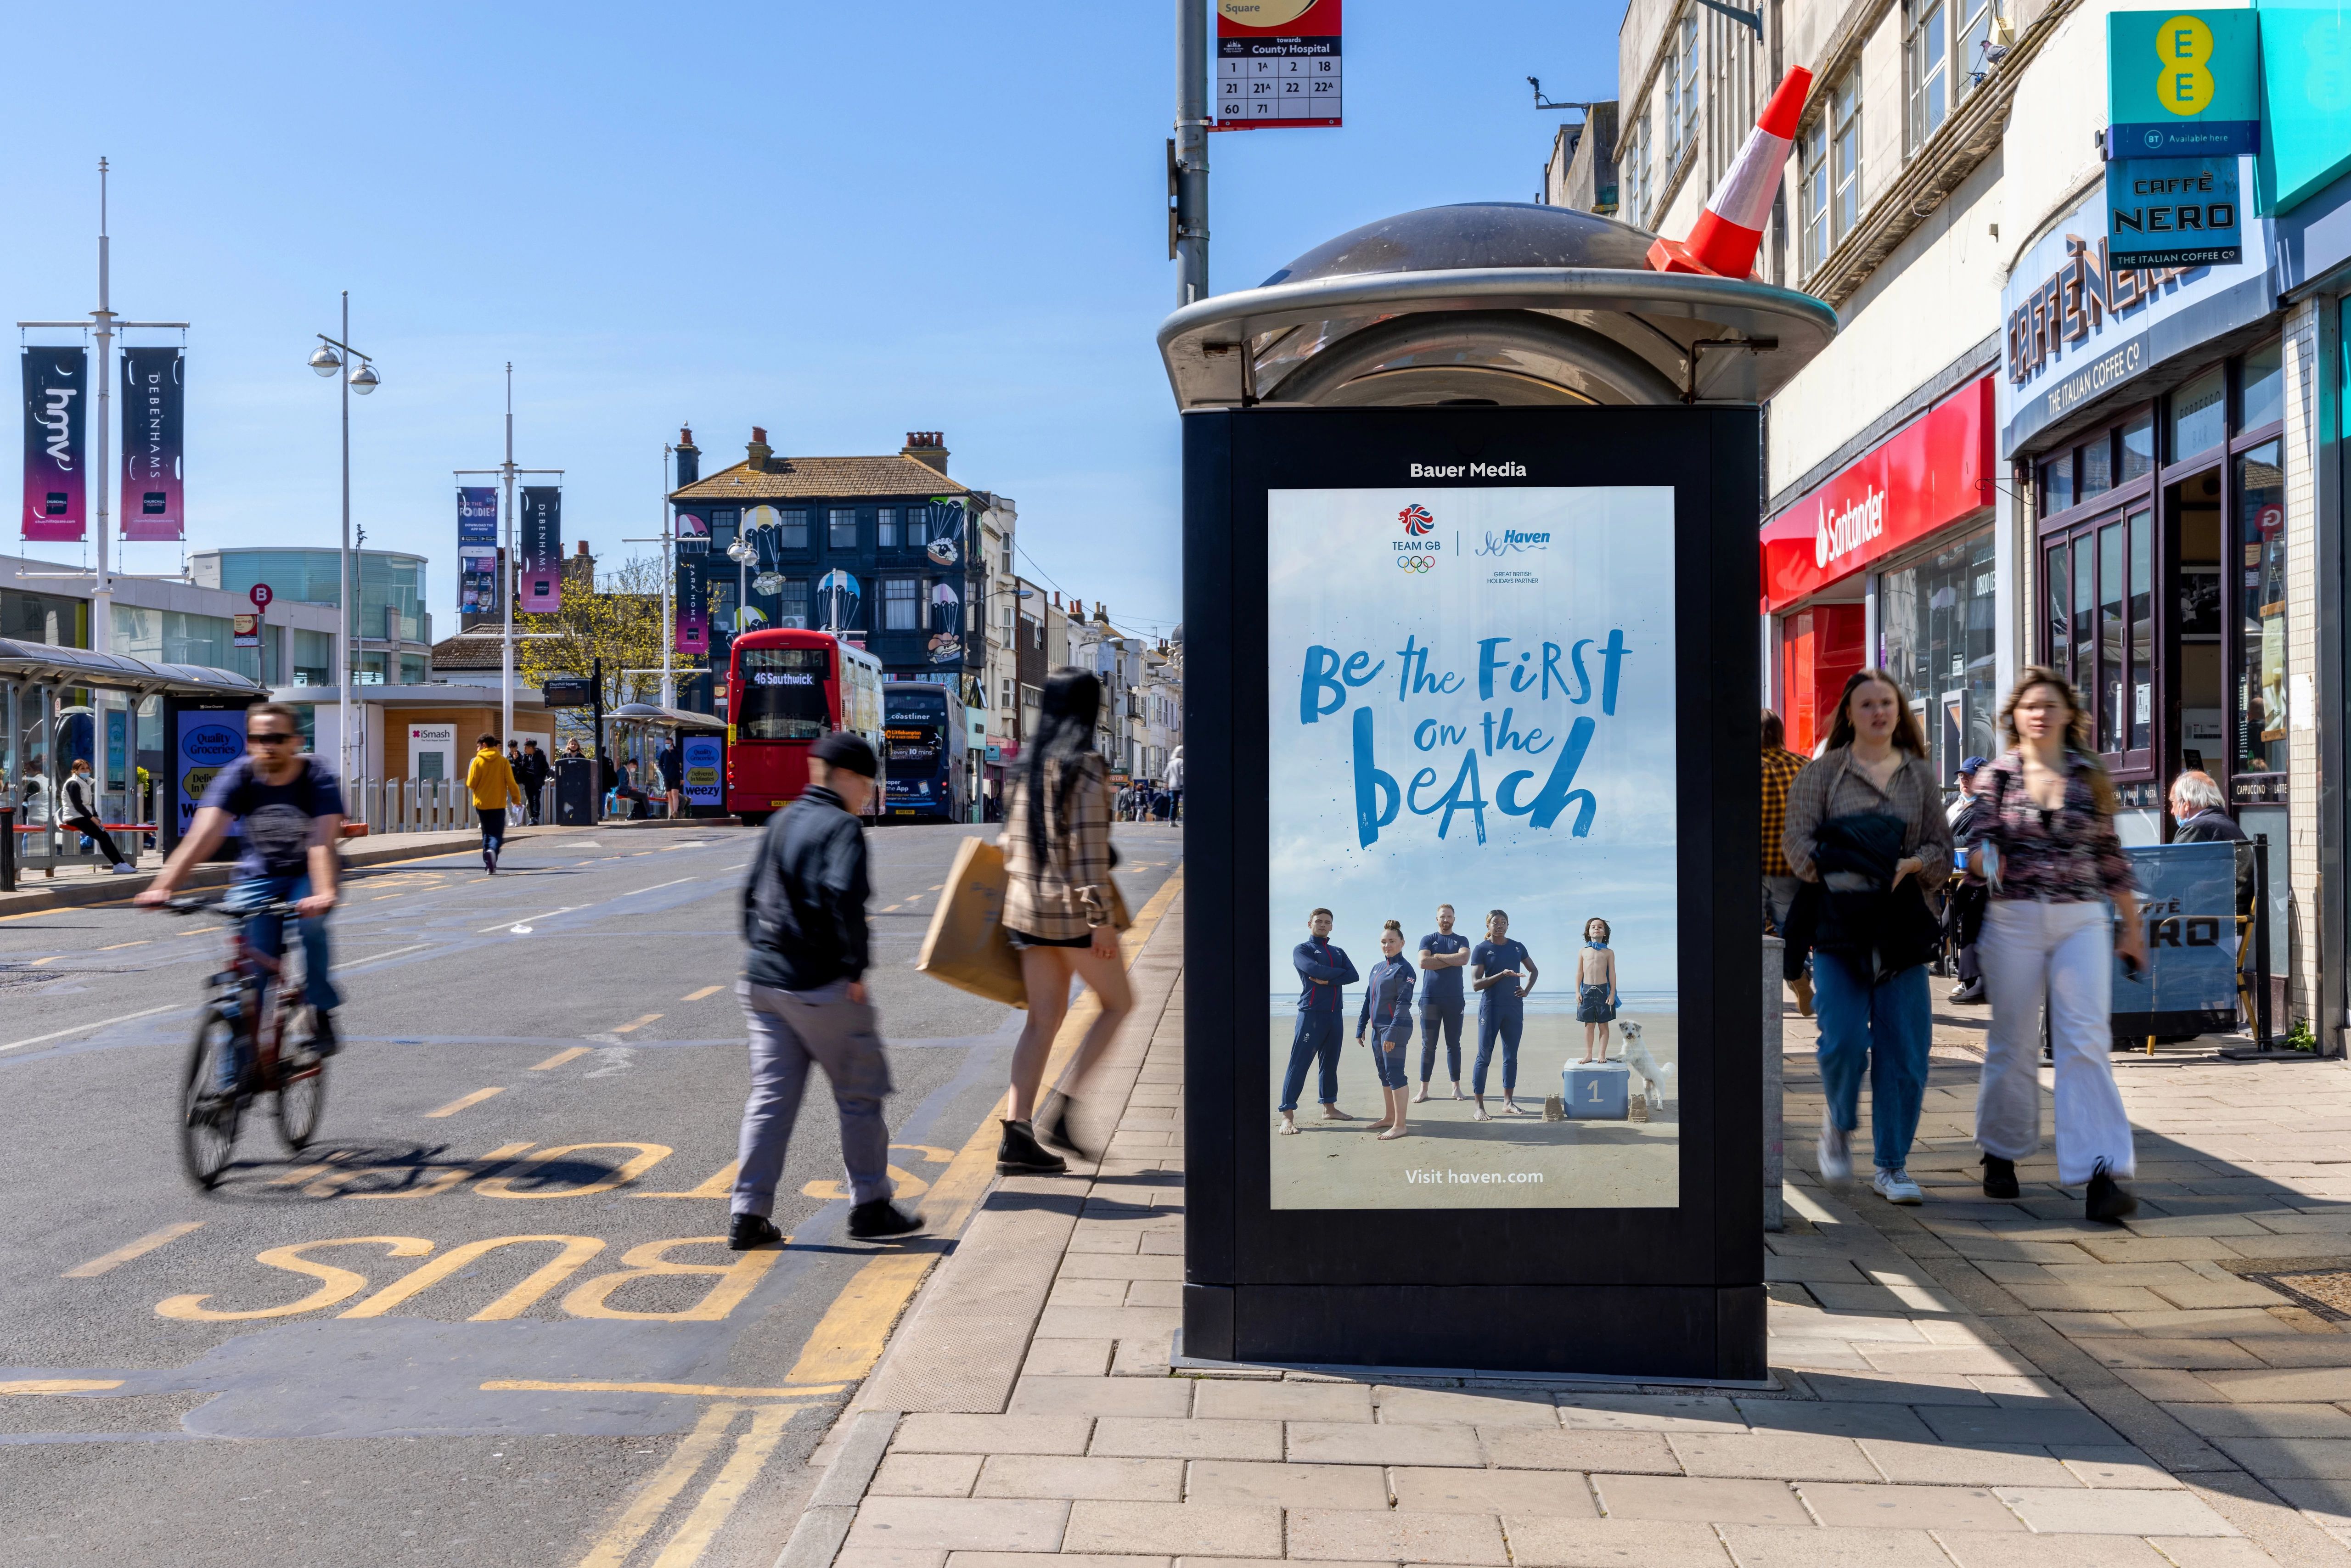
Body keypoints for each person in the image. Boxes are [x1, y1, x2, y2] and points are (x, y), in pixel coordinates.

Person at [1965, 668, 2146, 1223]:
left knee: (2085, 1041)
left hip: (2080, 920)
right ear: (2014, 717)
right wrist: (1980, 860)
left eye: (2049, 705)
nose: (2038, 714)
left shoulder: (2088, 776)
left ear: (2069, 715)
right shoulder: (1996, 777)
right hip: (2013, 918)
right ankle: (2000, 1151)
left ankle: (2101, 1173)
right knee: (2013, 1040)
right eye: (2028, 706)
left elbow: (2110, 856)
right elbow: (1976, 848)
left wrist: (2131, 927)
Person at [731, 730, 922, 1248]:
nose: (868, 794)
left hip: (763, 983)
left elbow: (749, 897)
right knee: (860, 1094)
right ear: (845, 777)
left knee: (770, 1098)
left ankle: (748, 1214)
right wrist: (854, 970)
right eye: (866, 783)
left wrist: (764, 952)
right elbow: (844, 900)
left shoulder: (780, 820)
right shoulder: (842, 827)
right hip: (820, 984)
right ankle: (870, 1205)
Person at [1782, 669, 1952, 1207]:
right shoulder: (1821, 774)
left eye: (1886, 703)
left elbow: (1941, 853)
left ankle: (1891, 1165)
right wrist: (1851, 866)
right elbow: (1796, 847)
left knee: (1904, 1052)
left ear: (1898, 711)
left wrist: (1911, 863)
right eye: (1866, 704)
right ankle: (1837, 1122)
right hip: (1838, 930)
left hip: (1901, 932)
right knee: (1843, 1043)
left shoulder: (1919, 777)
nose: (1878, 712)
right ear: (1848, 714)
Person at [135, 702, 346, 1070]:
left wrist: (323, 893)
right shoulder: (239, 775)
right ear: (249, 743)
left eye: (278, 738)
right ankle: (230, 1085)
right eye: (259, 738)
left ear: (296, 741)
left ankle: (321, 1007)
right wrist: (163, 887)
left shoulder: (316, 776)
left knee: (313, 924)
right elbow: (203, 835)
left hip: (305, 876)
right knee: (248, 977)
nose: (268, 745)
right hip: (259, 876)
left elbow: (321, 842)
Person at [998, 668, 1131, 1174]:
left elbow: (1009, 845)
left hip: (1026, 912)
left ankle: (1016, 1133)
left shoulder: (1028, 767)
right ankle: (1066, 1111)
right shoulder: (1086, 766)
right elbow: (1090, 855)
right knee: (1119, 1003)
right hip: (1073, 913)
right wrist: (1100, 921)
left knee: (1042, 1020)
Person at [1280, 906, 1359, 1135]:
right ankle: (1287, 1116)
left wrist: (1329, 980)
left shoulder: (1338, 951)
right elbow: (1314, 970)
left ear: (1332, 926)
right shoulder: (1302, 949)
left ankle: (1329, 1107)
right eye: (1319, 921)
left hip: (1335, 1014)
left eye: (1327, 922)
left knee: (1330, 1063)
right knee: (1299, 1064)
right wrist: (1337, 975)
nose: (1323, 925)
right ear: (1310, 924)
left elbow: (1354, 975)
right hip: (1311, 1014)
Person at [1761, 709, 1812, 1016]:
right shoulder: (1804, 766)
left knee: (1752, 937)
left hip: (1752, 866)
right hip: (1793, 867)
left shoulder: (1742, 768)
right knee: (1788, 934)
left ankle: (1765, 1000)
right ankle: (1796, 974)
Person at [1468, 909, 1538, 1120]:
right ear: (1488, 926)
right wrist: (1502, 974)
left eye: (1503, 922)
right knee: (1484, 1057)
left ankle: (1508, 1103)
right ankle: (1479, 1106)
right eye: (1495, 923)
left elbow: (1534, 971)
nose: (1499, 926)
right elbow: (1476, 985)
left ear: (1508, 925)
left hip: (1514, 1008)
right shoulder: (1482, 949)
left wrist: (1526, 990)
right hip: (1491, 1008)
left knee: (1511, 1057)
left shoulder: (1517, 947)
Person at [1357, 920, 1417, 1141]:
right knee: (1384, 1074)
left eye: (1392, 941)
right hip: (1377, 1028)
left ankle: (1401, 1125)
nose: (1387, 945)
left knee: (1395, 1073)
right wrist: (1362, 1024)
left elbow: (1403, 1003)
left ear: (1402, 943)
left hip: (1396, 1027)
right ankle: (1390, 1117)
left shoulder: (1405, 970)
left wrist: (1392, 1032)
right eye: (1384, 942)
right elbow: (1368, 998)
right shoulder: (1377, 968)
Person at [2169, 769, 2255, 917]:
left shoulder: (2198, 828)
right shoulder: (2225, 824)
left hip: (2206, 925)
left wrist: (2129, 870)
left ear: (2186, 803)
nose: (2172, 811)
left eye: (2173, 803)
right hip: (2226, 920)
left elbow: (2165, 877)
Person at [1414, 903, 1471, 1102]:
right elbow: (1423, 963)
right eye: (1442, 917)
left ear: (1454, 919)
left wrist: (1436, 957)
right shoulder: (1428, 939)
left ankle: (1456, 1088)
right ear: (1437, 919)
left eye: (1449, 917)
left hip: (1455, 999)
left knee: (1453, 1044)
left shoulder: (1461, 939)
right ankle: (1424, 1090)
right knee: (1428, 1045)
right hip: (1430, 999)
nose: (1446, 920)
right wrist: (1450, 960)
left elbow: (1464, 959)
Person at [1945, 757, 1991, 1004]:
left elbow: (1970, 841)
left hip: (1980, 872)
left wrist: (1937, 845)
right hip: (1951, 869)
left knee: (1969, 908)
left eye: (1970, 776)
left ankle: (1974, 980)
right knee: (1962, 906)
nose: (1964, 780)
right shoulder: (1952, 802)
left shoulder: (1985, 807)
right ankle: (1971, 979)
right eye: (1962, 776)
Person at [60, 758, 134, 873]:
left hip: (84, 817)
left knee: (104, 836)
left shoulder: (85, 783)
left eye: (87, 768)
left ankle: (121, 863)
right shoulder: (73, 784)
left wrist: (95, 815)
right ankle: (118, 864)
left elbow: (90, 803)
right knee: (102, 836)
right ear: (75, 771)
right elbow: (78, 806)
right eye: (82, 769)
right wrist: (93, 819)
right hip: (74, 817)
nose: (86, 770)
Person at [466, 733, 526, 873]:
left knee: (486, 832)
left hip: (481, 804)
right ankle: (493, 851)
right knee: (497, 833)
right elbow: (512, 783)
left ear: (484, 745)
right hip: (498, 804)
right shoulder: (502, 761)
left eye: (478, 746)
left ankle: (488, 864)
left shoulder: (476, 761)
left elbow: (471, 783)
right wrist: (516, 800)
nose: (477, 749)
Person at [1576, 918, 1619, 1062]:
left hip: (1603, 992)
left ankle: (1602, 1054)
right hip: (1587, 991)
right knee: (1589, 1026)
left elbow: (1612, 973)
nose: (1597, 929)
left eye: (1600, 927)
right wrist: (1577, 991)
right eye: (1593, 927)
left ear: (1605, 933)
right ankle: (1589, 1054)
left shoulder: (1609, 953)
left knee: (1603, 1024)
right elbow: (1579, 973)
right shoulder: (1583, 952)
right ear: (1588, 932)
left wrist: (1612, 993)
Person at [517, 739, 550, 826]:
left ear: (531, 748)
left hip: (537, 782)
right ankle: (533, 818)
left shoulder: (540, 757)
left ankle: (536, 817)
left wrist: (547, 778)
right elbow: (521, 768)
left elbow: (546, 768)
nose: (525, 750)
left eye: (526, 748)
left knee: (536, 799)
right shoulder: (526, 757)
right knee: (530, 800)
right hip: (528, 782)